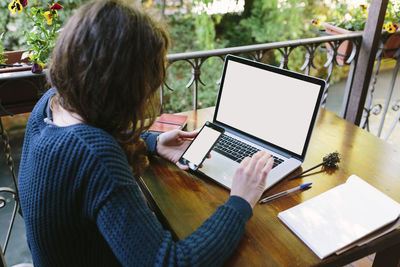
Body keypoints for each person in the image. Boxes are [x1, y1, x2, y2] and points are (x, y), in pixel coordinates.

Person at [18, 0, 274, 266]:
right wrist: (240, 202)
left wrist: (152, 142)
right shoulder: (94, 153)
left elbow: (84, 140)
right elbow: (169, 263)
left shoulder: (49, 104)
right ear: (126, 84)